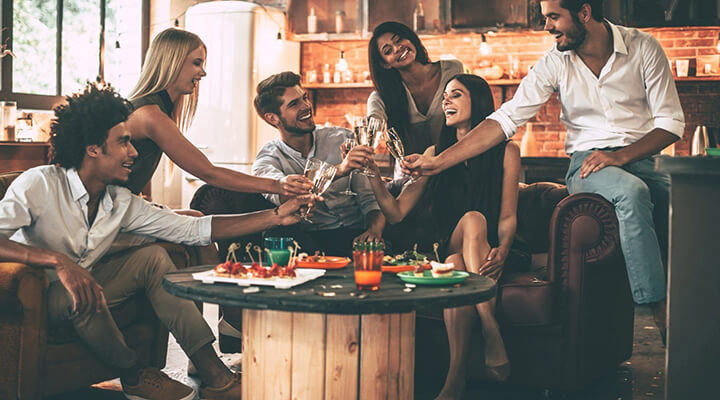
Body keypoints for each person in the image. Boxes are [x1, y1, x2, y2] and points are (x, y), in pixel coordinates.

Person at [0, 83, 314, 400]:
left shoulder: (120, 201)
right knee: (79, 291)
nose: (134, 152)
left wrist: (276, 215)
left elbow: (194, 228)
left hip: (90, 284)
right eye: (123, 143)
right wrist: (58, 261)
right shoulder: (39, 184)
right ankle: (134, 374)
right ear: (93, 147)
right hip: (37, 295)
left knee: (153, 258)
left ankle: (215, 377)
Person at [403, 0, 684, 343]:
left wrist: (622, 156)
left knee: (690, 206)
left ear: (584, 13)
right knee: (631, 192)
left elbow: (670, 124)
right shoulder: (554, 62)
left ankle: (696, 310)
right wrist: (437, 162)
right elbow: (504, 120)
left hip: (640, 156)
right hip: (588, 164)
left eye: (553, 16)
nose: (546, 25)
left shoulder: (644, 48)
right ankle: (661, 314)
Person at [366, 74, 521, 399]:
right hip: (446, 238)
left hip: (483, 250)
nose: (445, 101)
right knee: (472, 221)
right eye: (445, 96)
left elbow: (507, 216)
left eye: (456, 95)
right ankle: (490, 326)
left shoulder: (506, 151)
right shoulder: (436, 152)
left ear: (476, 101)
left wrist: (504, 248)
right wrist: (372, 174)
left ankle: (454, 381)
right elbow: (396, 212)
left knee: (454, 266)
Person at [125, 27, 310, 199]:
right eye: (197, 63)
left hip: (124, 204)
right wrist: (278, 185)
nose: (203, 73)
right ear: (173, 62)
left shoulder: (156, 109)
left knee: (195, 216)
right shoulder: (151, 115)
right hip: (110, 211)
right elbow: (209, 173)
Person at [252, 71, 385, 256]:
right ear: (273, 118)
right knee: (279, 234)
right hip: (307, 242)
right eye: (294, 104)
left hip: (355, 236)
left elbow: (369, 199)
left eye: (304, 98)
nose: (306, 106)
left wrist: (374, 231)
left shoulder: (342, 138)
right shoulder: (267, 160)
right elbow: (285, 192)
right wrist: (339, 170)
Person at [367, 21, 463, 186]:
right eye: (388, 50)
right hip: (412, 177)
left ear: (411, 40)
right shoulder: (382, 96)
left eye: (399, 40)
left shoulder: (452, 70)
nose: (397, 48)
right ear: (385, 63)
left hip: (453, 169)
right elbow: (373, 123)